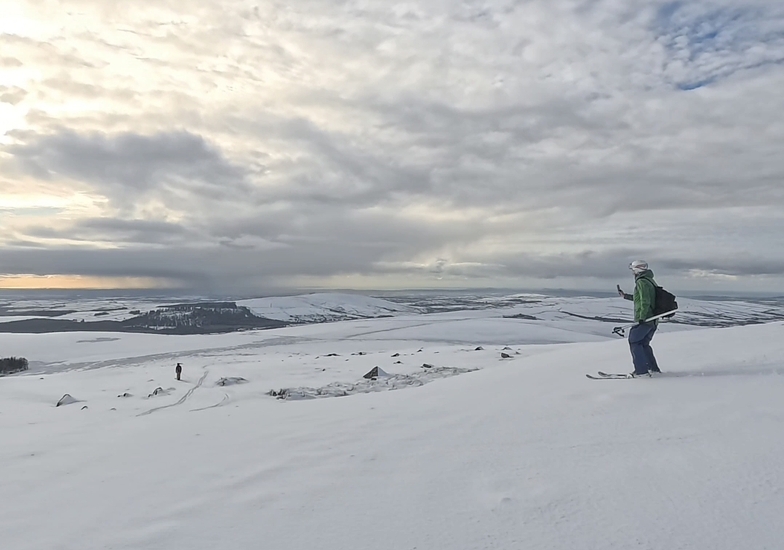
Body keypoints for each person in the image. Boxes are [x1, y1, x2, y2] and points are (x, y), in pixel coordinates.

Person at [617, 260, 661, 377]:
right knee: (643, 343)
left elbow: (645, 301)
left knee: (634, 341)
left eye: (633, 269)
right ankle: (653, 369)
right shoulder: (649, 280)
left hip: (645, 319)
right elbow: (641, 298)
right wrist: (625, 296)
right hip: (652, 320)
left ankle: (641, 371)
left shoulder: (642, 282)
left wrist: (641, 317)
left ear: (637, 269)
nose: (632, 272)